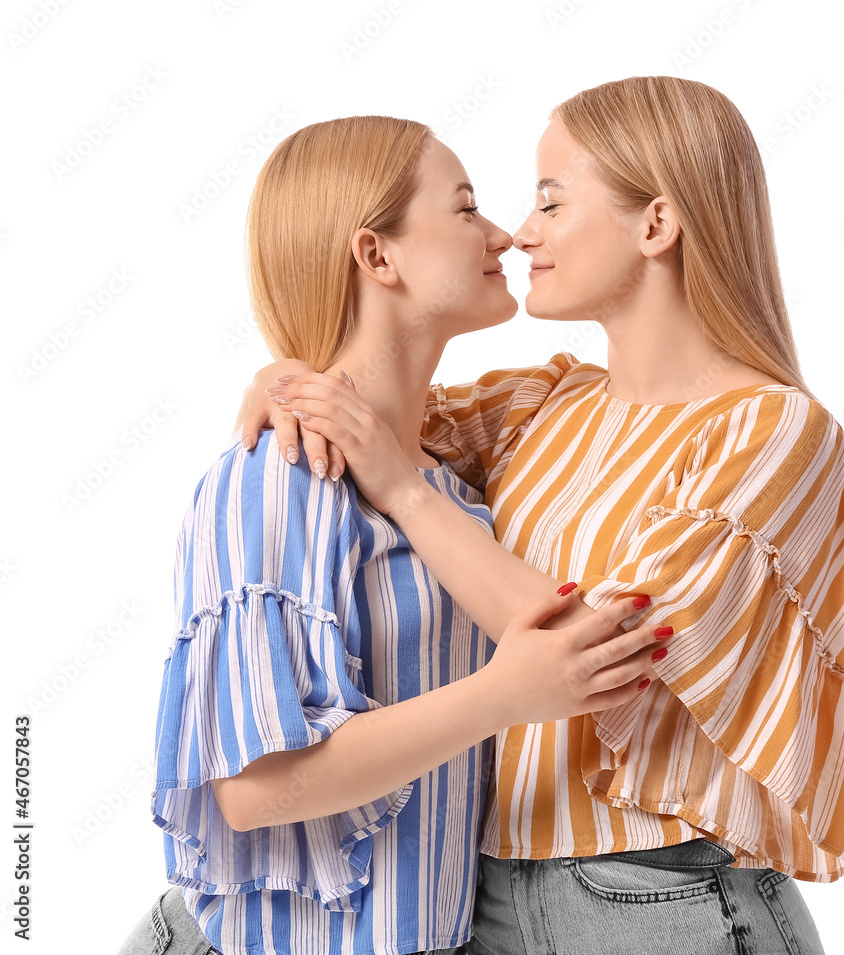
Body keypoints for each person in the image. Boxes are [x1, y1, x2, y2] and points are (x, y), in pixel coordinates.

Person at [237, 77, 844, 954]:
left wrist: (409, 493)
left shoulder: (773, 429)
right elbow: (371, 409)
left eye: (550, 201)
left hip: (662, 898)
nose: (522, 232)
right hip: (484, 898)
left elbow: (602, 651)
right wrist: (278, 380)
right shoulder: (545, 406)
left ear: (656, 226)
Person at [118, 115, 668, 955]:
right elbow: (253, 789)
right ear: (377, 256)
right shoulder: (273, 480)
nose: (505, 234)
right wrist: (503, 696)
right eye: (465, 208)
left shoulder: (452, 487)